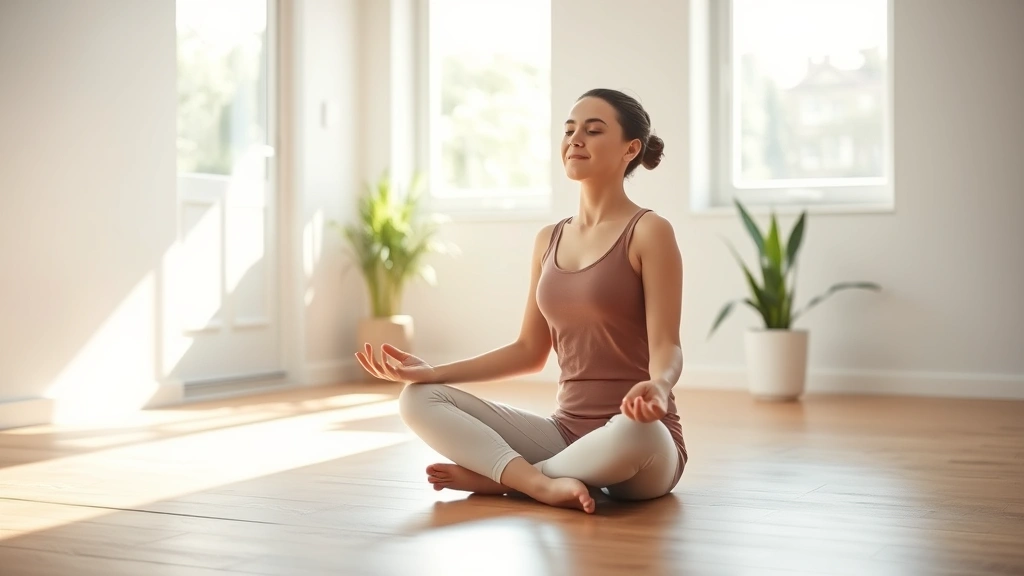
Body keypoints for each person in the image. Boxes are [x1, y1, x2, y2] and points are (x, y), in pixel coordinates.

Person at [355, 88, 686, 514]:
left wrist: (658, 387)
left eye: (593, 130)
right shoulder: (548, 239)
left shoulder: (649, 231)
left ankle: (507, 480)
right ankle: (539, 482)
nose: (575, 139)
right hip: (566, 433)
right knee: (417, 398)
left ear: (631, 149)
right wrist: (433, 372)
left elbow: (667, 345)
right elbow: (529, 351)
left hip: (640, 443)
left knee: (636, 431)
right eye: (568, 130)